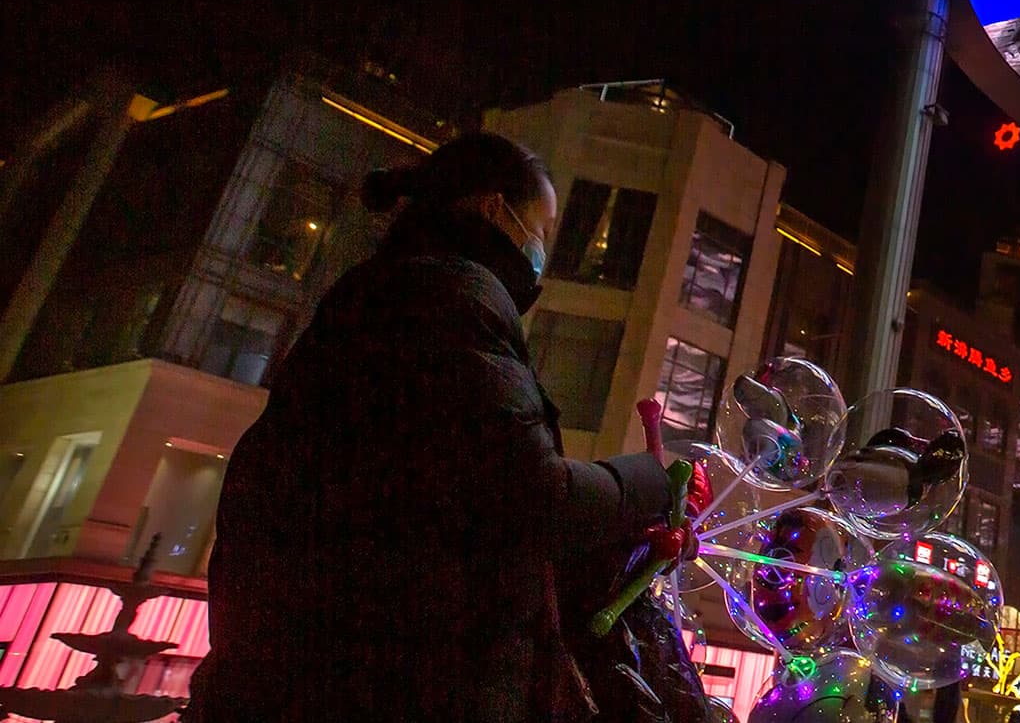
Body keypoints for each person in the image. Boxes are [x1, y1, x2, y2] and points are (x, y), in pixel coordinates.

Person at [189, 133, 677, 722]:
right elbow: (528, 497)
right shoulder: (450, 301)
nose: (542, 247)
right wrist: (651, 482)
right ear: (496, 209)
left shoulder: (384, 295)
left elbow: (457, 517)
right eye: (541, 228)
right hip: (390, 684)